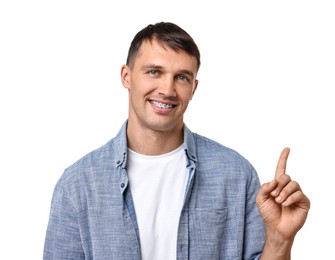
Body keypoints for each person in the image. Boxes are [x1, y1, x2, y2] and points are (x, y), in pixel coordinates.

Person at [43, 22, 310, 260]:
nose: (167, 90)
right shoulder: (77, 185)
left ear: (193, 87)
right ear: (126, 76)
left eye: (181, 77)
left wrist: (280, 239)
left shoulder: (236, 175)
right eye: (154, 72)